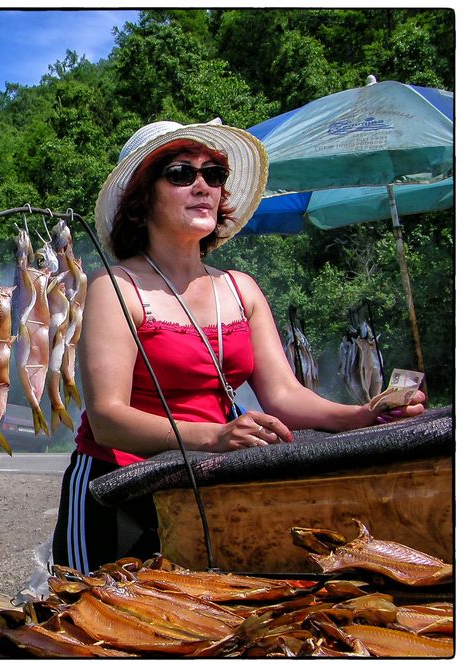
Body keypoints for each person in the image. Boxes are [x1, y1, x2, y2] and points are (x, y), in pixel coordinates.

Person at [51, 119, 427, 574]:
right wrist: (216, 435)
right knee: (89, 628)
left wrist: (360, 415)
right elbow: (109, 419)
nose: (203, 186)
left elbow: (285, 396)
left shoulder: (240, 289)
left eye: (214, 174)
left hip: (206, 484)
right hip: (116, 486)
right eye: (180, 174)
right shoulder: (116, 287)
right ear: (142, 197)